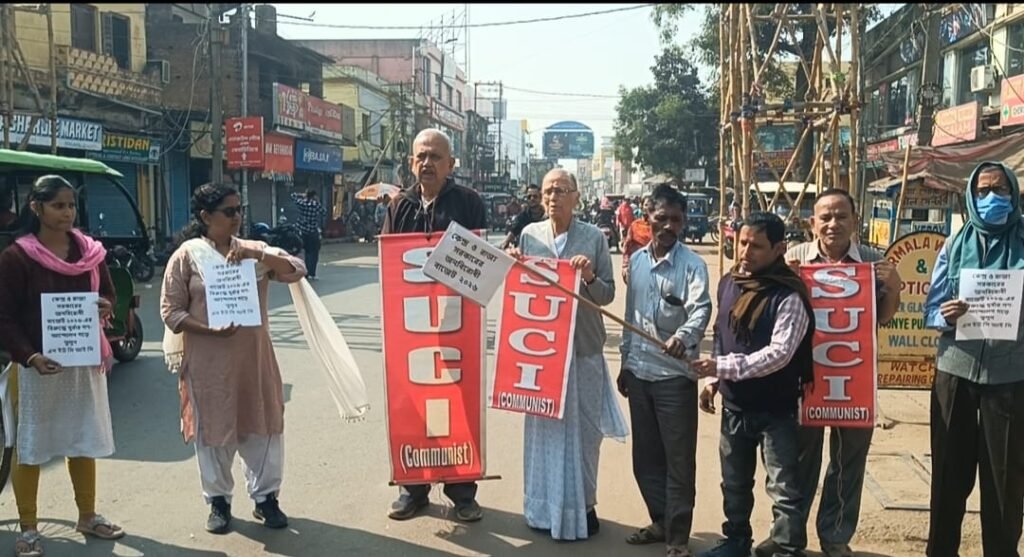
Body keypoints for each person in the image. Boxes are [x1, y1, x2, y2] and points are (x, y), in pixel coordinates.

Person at [161, 183, 307, 535]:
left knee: (263, 425)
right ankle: (219, 502)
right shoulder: (187, 256)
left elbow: (296, 270)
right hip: (207, 364)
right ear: (205, 216)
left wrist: (256, 255)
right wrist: (208, 329)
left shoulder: (254, 251)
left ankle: (266, 498)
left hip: (254, 361)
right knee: (213, 432)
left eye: (239, 209)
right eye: (229, 211)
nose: (237, 217)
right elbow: (171, 310)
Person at [770, 189, 901, 557]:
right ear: (812, 223)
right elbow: (773, 312)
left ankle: (835, 536)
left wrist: (893, 286)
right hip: (803, 379)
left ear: (855, 221)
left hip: (853, 379)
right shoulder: (794, 257)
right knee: (797, 461)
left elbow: (884, 316)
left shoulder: (874, 261)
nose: (833, 224)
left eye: (842, 216)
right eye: (825, 217)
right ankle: (788, 535)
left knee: (848, 464)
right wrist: (784, 279)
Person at [0, 175, 125, 557]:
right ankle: (29, 528)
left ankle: (87, 515)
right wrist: (30, 356)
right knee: (30, 446)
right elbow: (5, 316)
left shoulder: (91, 252)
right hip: (36, 368)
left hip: (82, 362)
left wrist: (106, 305)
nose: (67, 212)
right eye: (58, 205)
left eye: (71, 205)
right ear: (36, 207)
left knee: (82, 437)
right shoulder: (17, 257)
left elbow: (108, 293)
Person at [508, 168, 628, 540]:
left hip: (583, 349)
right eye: (547, 191)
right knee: (543, 433)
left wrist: (589, 276)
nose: (552, 197)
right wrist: (515, 264)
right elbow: (522, 289)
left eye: (561, 190)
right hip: (541, 355)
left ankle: (584, 506)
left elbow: (607, 294)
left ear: (576, 197)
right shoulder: (530, 235)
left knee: (586, 433)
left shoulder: (593, 237)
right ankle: (542, 507)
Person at [693, 211, 815, 557]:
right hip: (735, 405)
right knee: (734, 483)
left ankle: (787, 547)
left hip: (776, 410)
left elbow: (780, 354)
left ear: (779, 249)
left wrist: (723, 366)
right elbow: (721, 333)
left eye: (756, 246)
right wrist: (714, 380)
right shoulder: (730, 282)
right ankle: (736, 540)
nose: (745, 252)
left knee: (783, 487)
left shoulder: (789, 295)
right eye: (742, 242)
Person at [381, 128, 487, 523]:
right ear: (411, 162)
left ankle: (462, 492)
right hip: (411, 326)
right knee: (412, 400)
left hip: (456, 321)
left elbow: (478, 262)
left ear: (451, 164)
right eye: (421, 156)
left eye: (435, 157)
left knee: (458, 403)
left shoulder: (469, 203)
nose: (427, 163)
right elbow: (389, 261)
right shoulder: (400, 205)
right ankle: (413, 489)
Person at [923, 162, 1024, 557]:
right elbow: (931, 309)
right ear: (970, 196)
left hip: (1011, 374)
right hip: (956, 369)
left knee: (1004, 477)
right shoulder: (954, 245)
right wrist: (945, 315)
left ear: (1014, 194)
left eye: (1000, 190)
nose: (992, 198)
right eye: (983, 191)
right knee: (948, 472)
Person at [618, 185, 712, 556]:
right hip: (639, 374)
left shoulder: (693, 265)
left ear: (683, 222)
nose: (669, 226)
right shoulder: (637, 261)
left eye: (676, 219)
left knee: (679, 462)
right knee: (645, 459)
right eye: (662, 218)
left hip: (674, 378)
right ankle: (660, 521)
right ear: (648, 218)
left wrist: (683, 336)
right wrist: (625, 362)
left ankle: (677, 538)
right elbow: (630, 316)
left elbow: (700, 310)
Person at [290, 188, 327, 280]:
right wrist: (317, 201)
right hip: (312, 232)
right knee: (314, 253)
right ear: (314, 196)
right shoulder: (315, 204)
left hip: (303, 232)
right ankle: (312, 273)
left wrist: (302, 195)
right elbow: (324, 212)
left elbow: (293, 195)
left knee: (306, 252)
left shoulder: (302, 203)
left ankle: (305, 273)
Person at [621, 195, 655, 283]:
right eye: (646, 205)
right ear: (641, 206)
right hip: (636, 267)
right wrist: (625, 266)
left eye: (651, 205)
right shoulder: (635, 225)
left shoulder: (657, 226)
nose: (648, 208)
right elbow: (627, 248)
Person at [501, 183, 546, 249]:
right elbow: (513, 232)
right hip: (527, 250)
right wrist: (505, 243)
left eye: (535, 196)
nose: (532, 199)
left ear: (540, 198)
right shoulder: (522, 216)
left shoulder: (547, 215)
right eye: (529, 197)